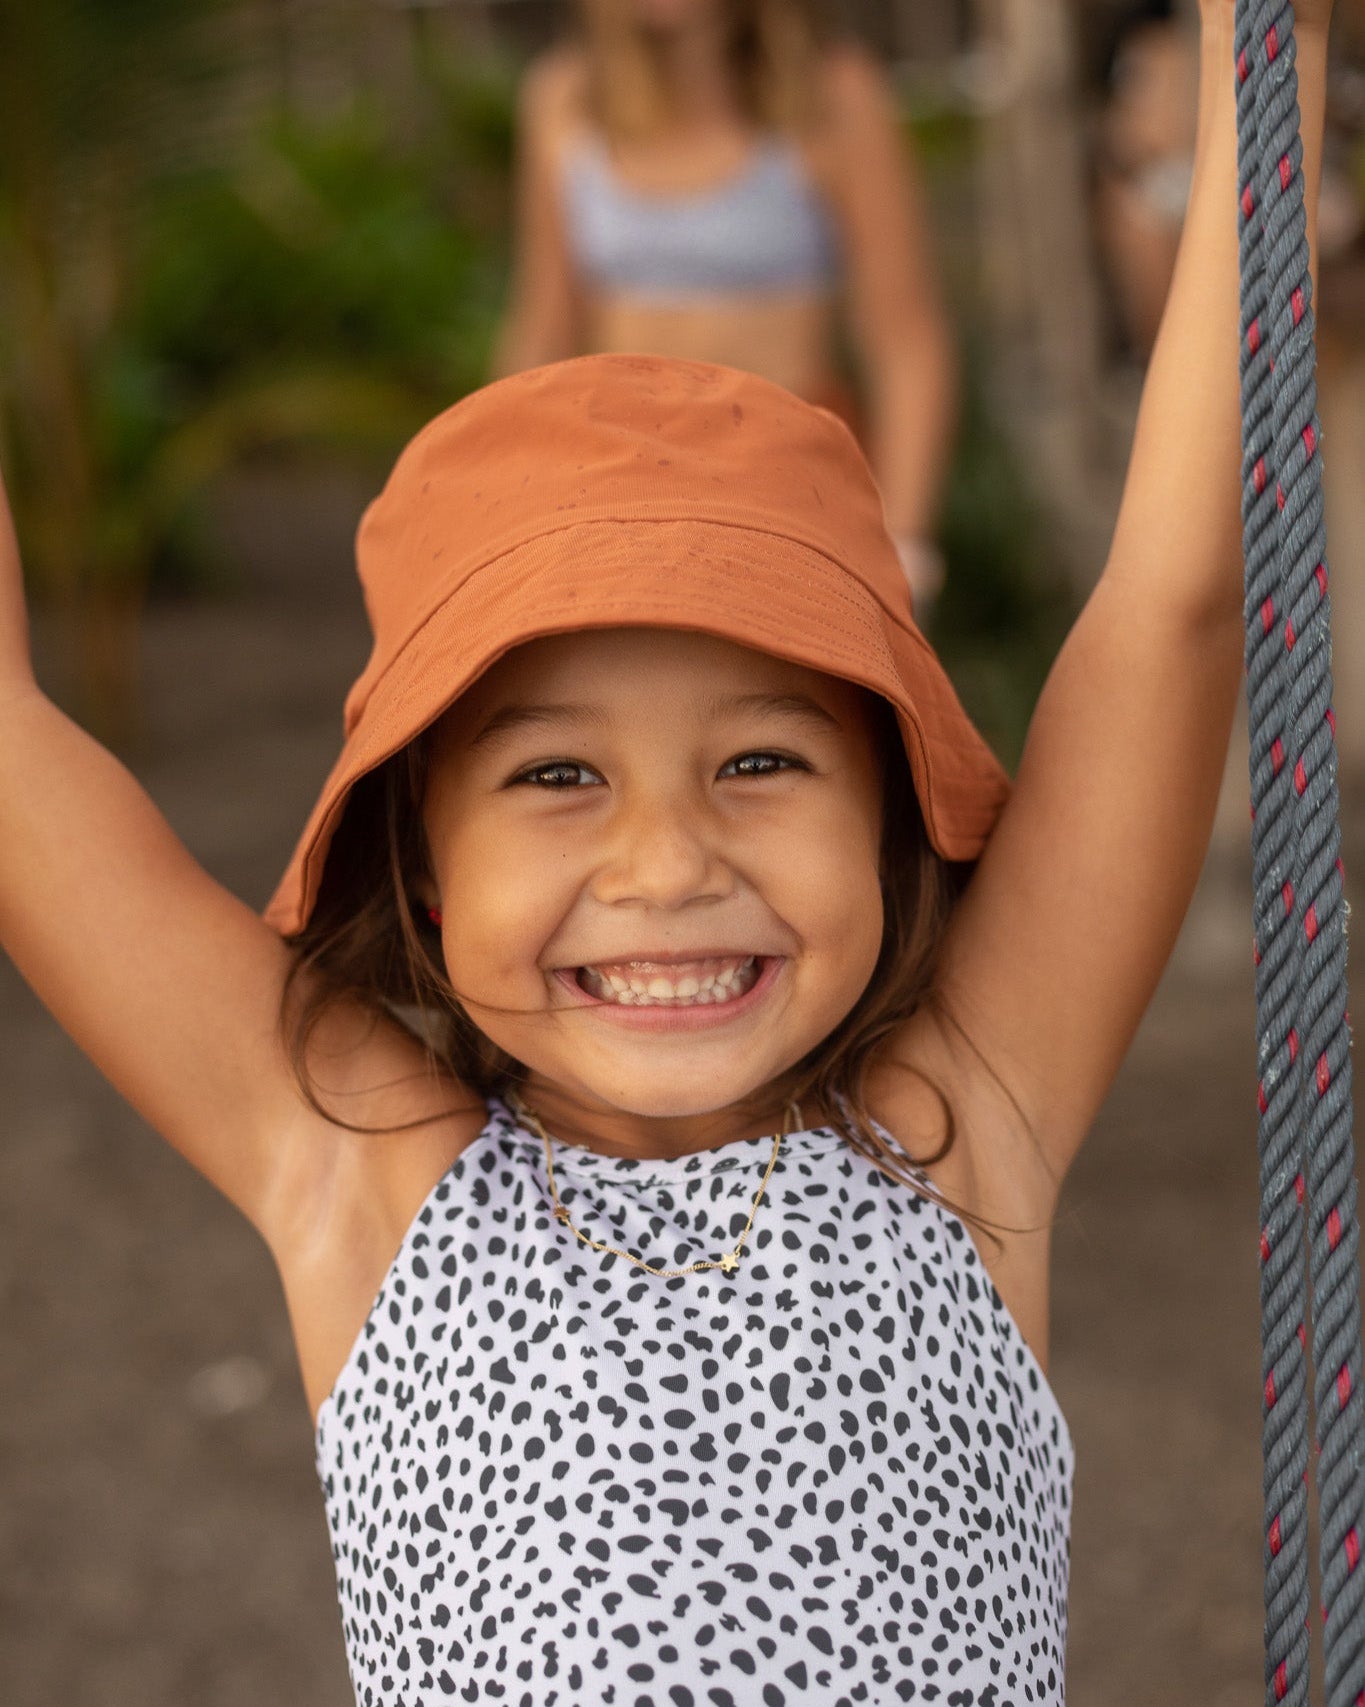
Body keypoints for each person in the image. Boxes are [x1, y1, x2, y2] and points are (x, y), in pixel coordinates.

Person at [0, 2, 1335, 1700]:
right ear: (422, 872)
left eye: (763, 758)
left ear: (883, 814)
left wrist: (1253, 60)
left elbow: (1175, 599)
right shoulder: (372, 1185)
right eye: (557, 774)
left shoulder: (957, 1135)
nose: (665, 861)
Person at [492, 0, 955, 614]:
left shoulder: (833, 97)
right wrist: (505, 508)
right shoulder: (564, 98)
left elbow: (906, 341)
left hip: (788, 490)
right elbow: (541, 331)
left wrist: (907, 549)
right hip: (618, 487)